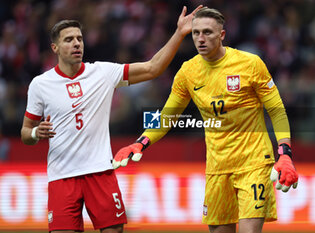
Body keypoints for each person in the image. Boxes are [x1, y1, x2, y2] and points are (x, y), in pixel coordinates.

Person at [113, 7, 299, 233]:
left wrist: (285, 152)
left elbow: (277, 110)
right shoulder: (188, 71)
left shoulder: (250, 64)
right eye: (196, 33)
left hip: (254, 162)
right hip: (217, 166)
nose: (200, 39)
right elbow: (168, 114)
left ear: (222, 35)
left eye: (208, 33)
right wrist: (140, 141)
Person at [20, 5, 202, 233]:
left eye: (79, 38)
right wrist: (36, 133)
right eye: (68, 40)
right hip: (62, 177)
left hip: (100, 172)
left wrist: (179, 33)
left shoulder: (102, 73)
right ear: (55, 47)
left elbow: (152, 69)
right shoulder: (40, 85)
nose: (76, 43)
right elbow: (26, 133)